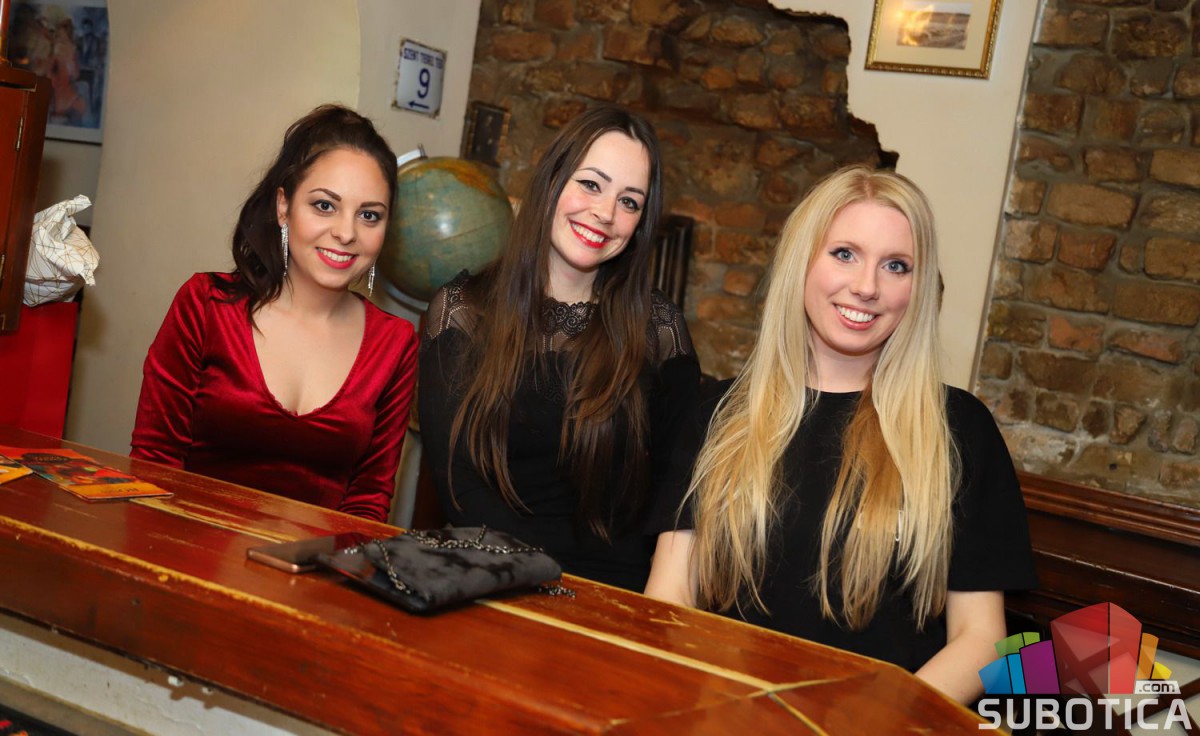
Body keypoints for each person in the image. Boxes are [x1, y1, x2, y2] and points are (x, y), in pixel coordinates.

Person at [644, 165, 1035, 703]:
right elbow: (670, 596)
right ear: (802, 262)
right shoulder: (719, 414)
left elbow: (982, 638)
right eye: (845, 254)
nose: (867, 286)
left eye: (896, 265)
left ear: (918, 288)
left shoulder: (958, 429)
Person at [419, 104, 699, 591]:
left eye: (629, 202)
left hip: (612, 592)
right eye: (590, 184)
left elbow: (678, 491)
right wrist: (537, 581)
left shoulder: (659, 331)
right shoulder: (463, 311)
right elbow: (457, 483)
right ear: (552, 180)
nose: (605, 213)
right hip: (494, 578)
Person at [132, 105, 417, 522]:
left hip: (316, 561)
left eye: (369, 215)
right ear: (284, 206)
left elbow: (367, 504)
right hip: (183, 548)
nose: (346, 232)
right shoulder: (206, 305)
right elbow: (154, 464)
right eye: (324, 205)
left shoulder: (395, 343)